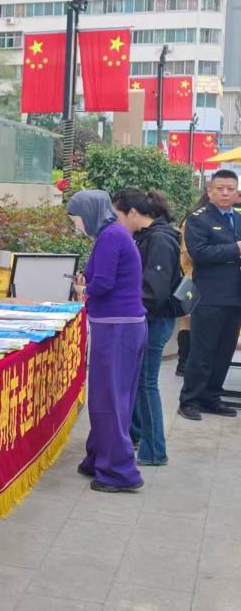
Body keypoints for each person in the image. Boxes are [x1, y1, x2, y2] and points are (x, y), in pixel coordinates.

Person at [67, 190, 146, 493]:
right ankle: (99, 458)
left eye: (75, 218)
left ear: (89, 213)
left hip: (117, 328)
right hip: (121, 326)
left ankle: (118, 472)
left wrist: (82, 291)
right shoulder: (113, 234)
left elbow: (103, 283)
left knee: (109, 400)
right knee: (110, 398)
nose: (75, 225)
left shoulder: (110, 236)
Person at [113, 189, 181, 467]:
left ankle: (155, 451)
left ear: (132, 213)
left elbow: (155, 290)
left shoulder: (160, 239)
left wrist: (125, 302)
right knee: (139, 381)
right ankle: (138, 435)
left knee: (146, 383)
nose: (116, 221)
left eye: (117, 215)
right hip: (147, 318)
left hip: (155, 319)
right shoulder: (146, 236)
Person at [178, 170, 241, 420]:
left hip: (235, 296)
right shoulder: (198, 219)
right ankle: (190, 400)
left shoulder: (238, 218)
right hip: (209, 295)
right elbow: (199, 253)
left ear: (237, 193)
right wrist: (235, 248)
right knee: (202, 351)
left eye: (230, 189)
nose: (225, 193)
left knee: (224, 351)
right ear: (210, 191)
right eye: (220, 188)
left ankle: (211, 397)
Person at [175, 193, 207, 376]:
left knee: (189, 321)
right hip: (193, 277)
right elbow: (189, 252)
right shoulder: (194, 219)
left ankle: (186, 363)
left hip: (193, 276)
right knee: (189, 321)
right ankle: (183, 363)